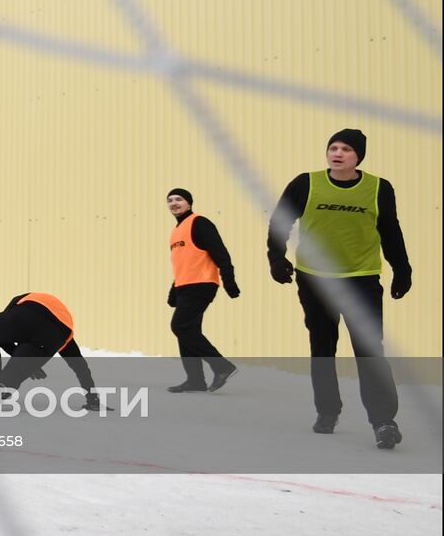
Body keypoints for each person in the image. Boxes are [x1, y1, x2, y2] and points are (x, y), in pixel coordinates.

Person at [267, 129, 412, 449]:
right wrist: (277, 258)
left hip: (361, 279)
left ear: (358, 156)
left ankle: (384, 421)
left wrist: (402, 269)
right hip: (314, 279)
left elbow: (390, 230)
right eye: (333, 147)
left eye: (346, 149)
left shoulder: (378, 188)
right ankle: (328, 411)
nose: (338, 153)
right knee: (323, 347)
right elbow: (280, 221)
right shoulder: (306, 183)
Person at [164, 188, 240, 393]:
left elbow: (220, 253)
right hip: (185, 285)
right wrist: (174, 289)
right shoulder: (176, 230)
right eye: (169, 200)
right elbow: (184, 263)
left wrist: (229, 281)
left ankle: (222, 366)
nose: (174, 203)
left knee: (180, 326)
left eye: (179, 199)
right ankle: (195, 380)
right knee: (188, 331)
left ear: (189, 203)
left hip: (201, 284)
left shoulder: (199, 223)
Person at [0, 293, 101, 409]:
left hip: (26, 313)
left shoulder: (27, 298)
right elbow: (80, 366)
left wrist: (15, 353)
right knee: (14, 374)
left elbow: (2, 333)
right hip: (55, 334)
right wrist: (92, 398)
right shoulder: (66, 335)